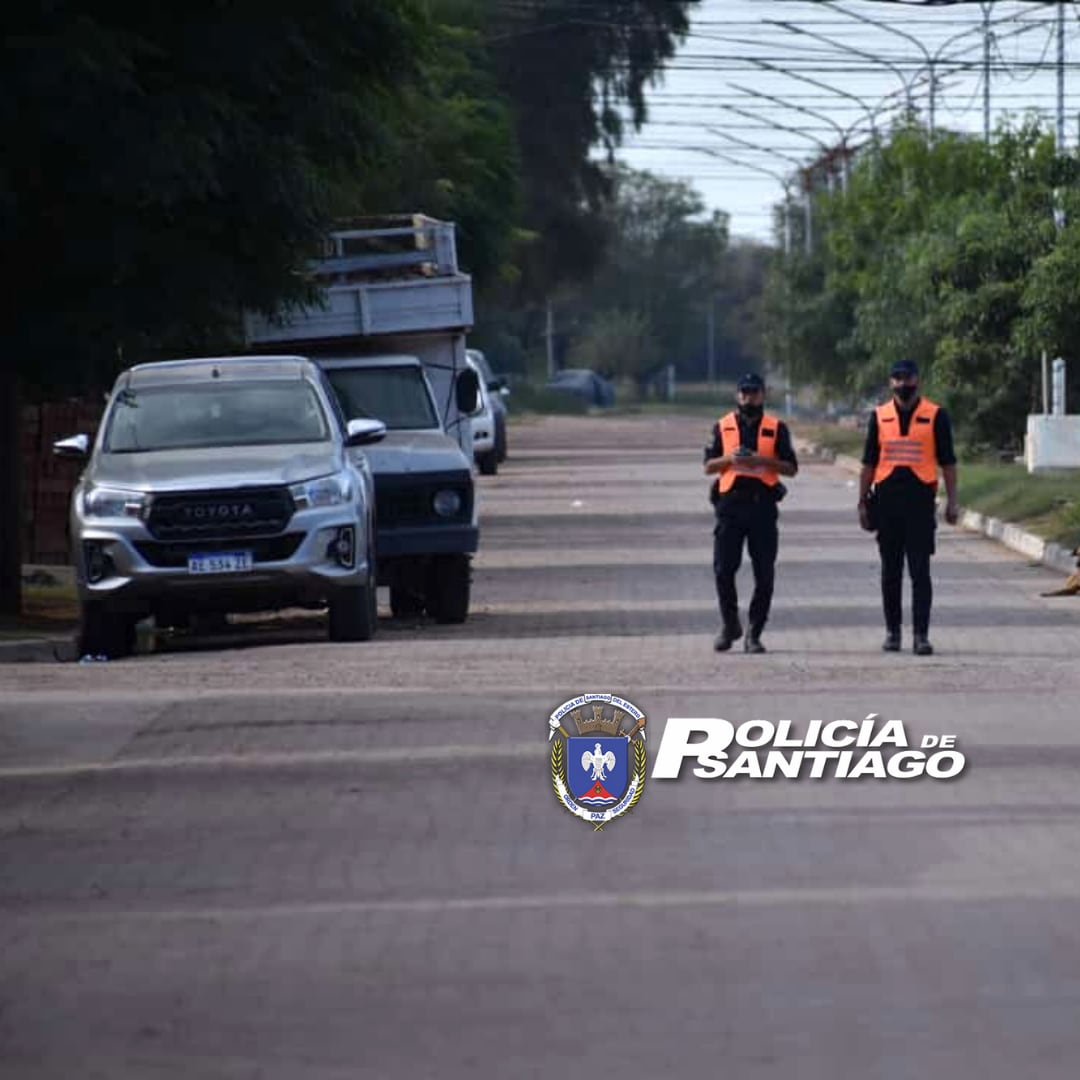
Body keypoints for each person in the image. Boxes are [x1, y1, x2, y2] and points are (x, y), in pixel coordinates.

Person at [858, 359, 958, 656]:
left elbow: (949, 463)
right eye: (897, 378)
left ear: (918, 380)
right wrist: (862, 501)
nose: (903, 384)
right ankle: (893, 633)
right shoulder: (879, 416)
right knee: (890, 572)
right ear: (891, 383)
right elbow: (868, 463)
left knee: (920, 572)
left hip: (919, 502)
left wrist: (953, 501)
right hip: (887, 501)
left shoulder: (936, 415)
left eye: (908, 378)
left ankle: (921, 636)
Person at [703, 373, 798, 654]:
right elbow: (708, 466)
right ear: (737, 395)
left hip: (762, 507)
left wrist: (762, 461)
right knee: (723, 570)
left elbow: (791, 468)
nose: (748, 397)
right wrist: (730, 460)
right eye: (744, 392)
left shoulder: (776, 428)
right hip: (730, 505)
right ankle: (730, 624)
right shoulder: (723, 426)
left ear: (762, 395)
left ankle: (755, 632)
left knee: (764, 574)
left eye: (753, 392)